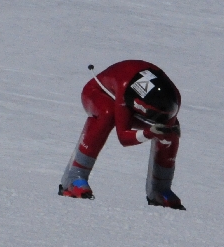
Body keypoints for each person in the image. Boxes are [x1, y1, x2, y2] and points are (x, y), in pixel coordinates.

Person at [59, 60, 185, 210]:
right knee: (107, 113)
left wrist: (166, 136)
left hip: (135, 104)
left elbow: (167, 131)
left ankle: (160, 188)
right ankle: (74, 177)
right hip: (98, 93)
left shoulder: (173, 100)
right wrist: (149, 133)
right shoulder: (126, 88)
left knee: (172, 131)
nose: (158, 120)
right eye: (154, 115)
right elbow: (123, 137)